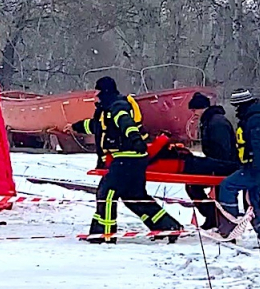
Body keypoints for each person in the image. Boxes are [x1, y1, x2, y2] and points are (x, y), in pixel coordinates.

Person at [64, 76, 183, 243]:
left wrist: (135, 139)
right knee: (134, 197)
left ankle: (104, 235)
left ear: (104, 91)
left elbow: (126, 123)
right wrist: (75, 127)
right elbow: (97, 126)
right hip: (130, 159)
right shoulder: (106, 110)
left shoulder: (118, 107)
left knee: (107, 193)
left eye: (97, 91)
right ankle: (168, 227)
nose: (94, 95)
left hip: (128, 157)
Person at [217, 89, 260, 250]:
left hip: (257, 169)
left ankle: (229, 227)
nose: (236, 110)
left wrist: (258, 171)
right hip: (259, 167)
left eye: (237, 106)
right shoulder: (257, 116)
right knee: (252, 204)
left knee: (228, 186)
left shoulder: (257, 119)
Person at [184, 92, 240, 230]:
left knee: (193, 185)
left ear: (202, 108)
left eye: (194, 109)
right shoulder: (210, 121)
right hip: (219, 163)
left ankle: (216, 218)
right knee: (192, 185)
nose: (193, 113)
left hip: (225, 165)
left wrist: (208, 165)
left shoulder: (217, 123)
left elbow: (222, 151)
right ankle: (213, 217)